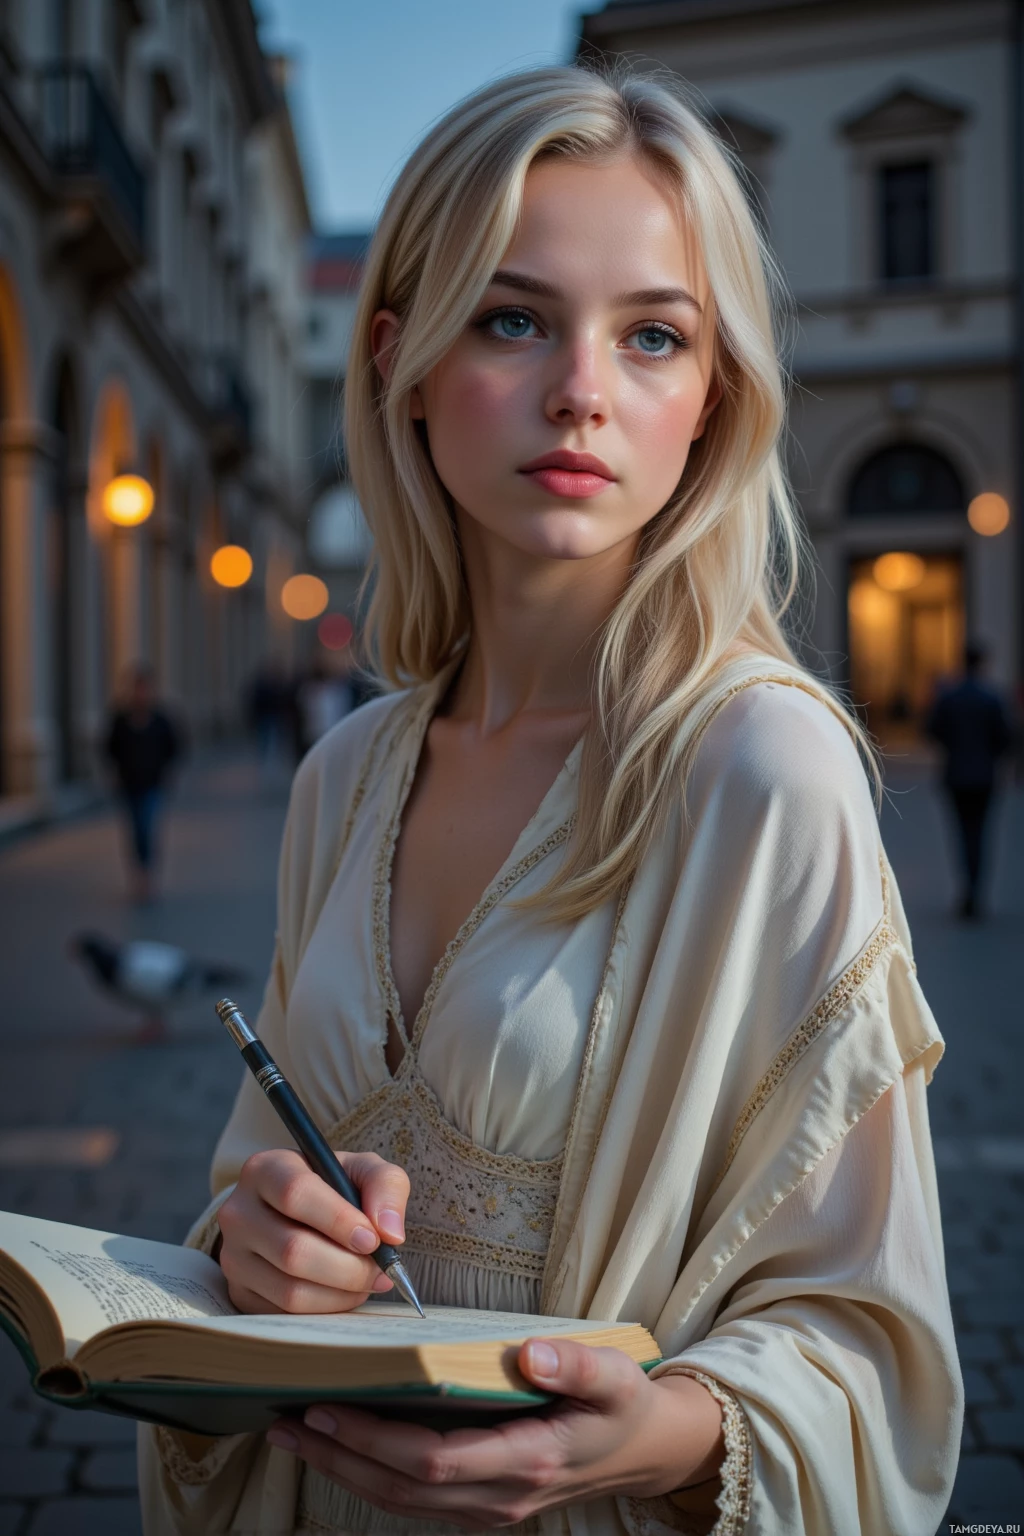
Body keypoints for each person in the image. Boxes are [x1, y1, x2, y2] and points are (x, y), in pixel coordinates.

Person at [139, 65, 961, 1535]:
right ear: (397, 355)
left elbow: (870, 1341)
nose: (584, 388)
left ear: (710, 401)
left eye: (655, 336)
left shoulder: (762, 772)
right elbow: (254, 1185)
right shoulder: (345, 774)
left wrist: (651, 1437)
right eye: (513, 319)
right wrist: (255, 1239)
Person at [926, 641, 1014, 919]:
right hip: (984, 776)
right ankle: (976, 891)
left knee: (962, 834)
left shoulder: (949, 696)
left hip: (956, 775)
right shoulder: (992, 697)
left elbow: (932, 730)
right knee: (980, 833)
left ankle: (967, 889)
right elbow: (1005, 738)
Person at [104, 664, 182, 905]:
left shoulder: (160, 719)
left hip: (153, 784)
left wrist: (167, 772)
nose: (142, 693)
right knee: (135, 830)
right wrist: (115, 772)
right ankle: (139, 872)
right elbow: (110, 748)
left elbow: (174, 747)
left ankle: (146, 876)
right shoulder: (121, 719)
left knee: (147, 827)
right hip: (129, 785)